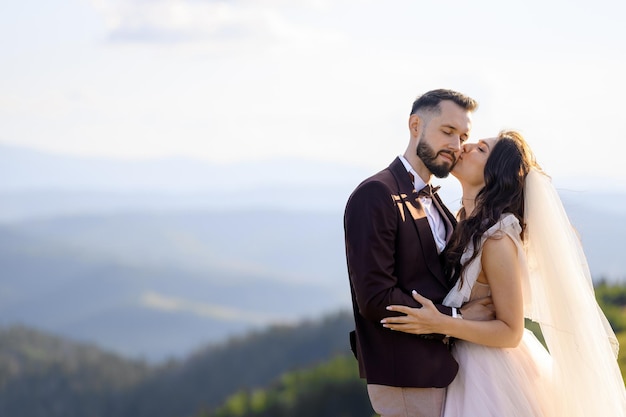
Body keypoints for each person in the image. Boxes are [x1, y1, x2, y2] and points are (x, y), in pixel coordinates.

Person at [382, 130, 626, 416]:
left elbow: (511, 331)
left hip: (490, 375)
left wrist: (440, 323)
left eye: (481, 148)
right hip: (459, 366)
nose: (466, 146)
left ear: (493, 175)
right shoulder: (463, 224)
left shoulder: (497, 240)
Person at [343, 89, 495, 417]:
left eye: (463, 136)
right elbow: (376, 298)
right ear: (415, 126)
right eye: (447, 131)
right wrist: (456, 319)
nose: (456, 145)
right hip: (406, 377)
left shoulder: (435, 201)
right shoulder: (376, 193)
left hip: (440, 371)